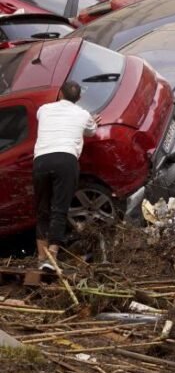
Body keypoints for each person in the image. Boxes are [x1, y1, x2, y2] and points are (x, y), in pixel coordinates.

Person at [33, 81, 100, 270]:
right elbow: (92, 132)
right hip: (66, 160)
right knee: (59, 209)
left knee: (42, 209)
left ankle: (41, 258)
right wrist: (93, 121)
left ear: (60, 94)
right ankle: (52, 257)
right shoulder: (83, 114)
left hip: (42, 160)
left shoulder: (44, 109)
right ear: (79, 99)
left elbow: (45, 120)